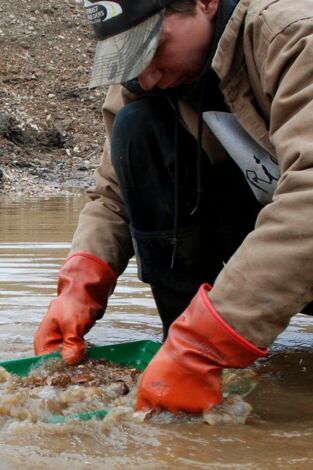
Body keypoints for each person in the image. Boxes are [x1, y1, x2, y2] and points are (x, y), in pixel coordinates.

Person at [34, 0, 313, 414]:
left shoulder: (292, 37)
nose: (146, 76)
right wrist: (81, 282)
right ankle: (183, 356)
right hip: (263, 239)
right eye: (130, 57)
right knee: (136, 126)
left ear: (205, 3)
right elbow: (112, 194)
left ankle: (201, 348)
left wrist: (206, 345)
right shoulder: (148, 79)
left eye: (152, 47)